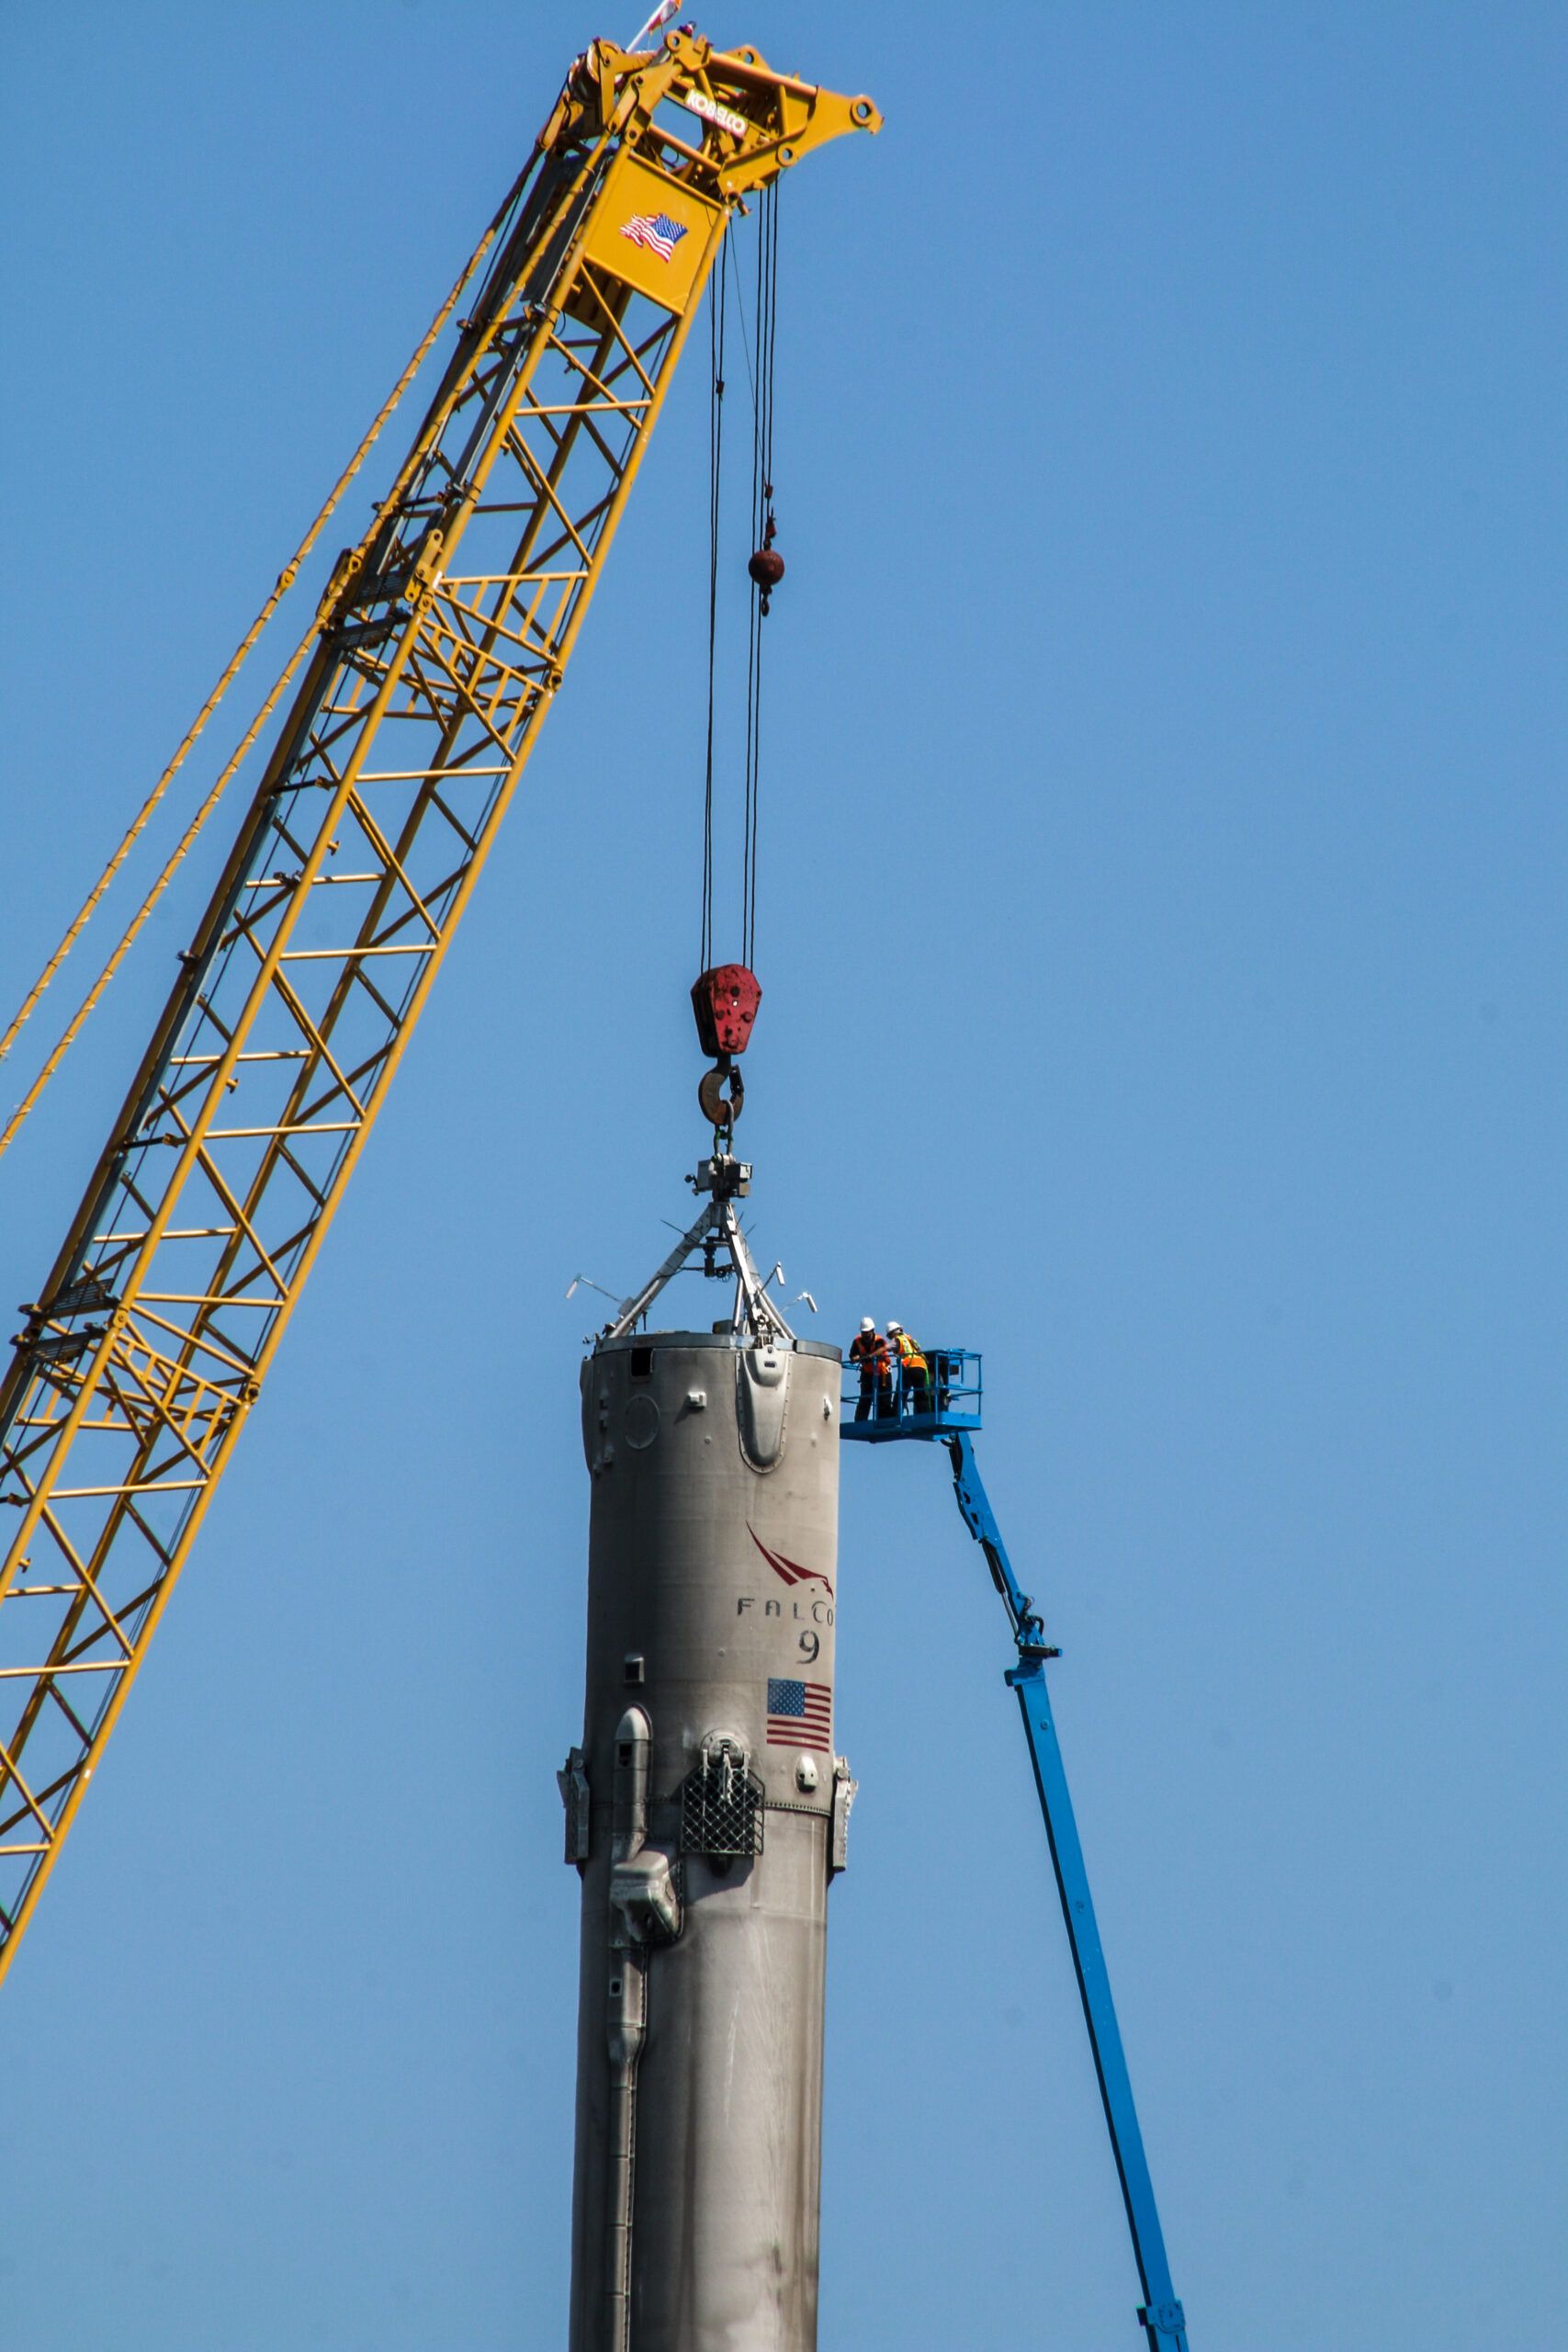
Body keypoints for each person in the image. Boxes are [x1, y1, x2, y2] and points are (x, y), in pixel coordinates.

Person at [849, 1317, 891, 1421]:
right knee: (865, 1399)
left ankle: (883, 1421)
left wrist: (862, 1357)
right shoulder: (857, 1341)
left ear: (872, 1331)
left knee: (883, 1400)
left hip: (882, 1373)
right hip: (868, 1373)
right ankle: (860, 1422)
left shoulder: (879, 1341)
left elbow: (876, 1354)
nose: (865, 1335)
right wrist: (854, 1358)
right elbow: (852, 1355)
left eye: (867, 1332)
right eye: (863, 1332)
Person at [886, 1321, 931, 1417]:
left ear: (892, 1333)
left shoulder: (897, 1340)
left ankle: (895, 1416)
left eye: (889, 1336)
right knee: (921, 1394)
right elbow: (920, 1353)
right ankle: (926, 1415)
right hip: (921, 1367)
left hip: (910, 1368)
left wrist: (871, 1354)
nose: (890, 1339)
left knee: (901, 1392)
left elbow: (886, 1348)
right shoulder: (910, 1339)